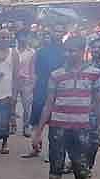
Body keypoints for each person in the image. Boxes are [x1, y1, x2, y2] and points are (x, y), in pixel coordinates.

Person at [33, 36, 100, 179]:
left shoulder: (95, 74)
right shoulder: (56, 75)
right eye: (67, 50)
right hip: (58, 127)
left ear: (83, 50)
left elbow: (99, 103)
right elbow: (48, 103)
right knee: (55, 169)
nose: (69, 54)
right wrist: (38, 131)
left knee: (82, 171)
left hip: (82, 129)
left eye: (73, 50)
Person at [24, 24, 65, 159]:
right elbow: (34, 70)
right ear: (51, 33)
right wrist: (32, 86)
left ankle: (51, 153)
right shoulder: (41, 51)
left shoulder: (66, 51)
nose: (57, 33)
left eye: (60, 31)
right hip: (41, 87)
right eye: (56, 30)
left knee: (54, 121)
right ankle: (35, 147)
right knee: (36, 119)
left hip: (59, 88)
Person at [15, 30, 35, 138]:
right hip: (14, 81)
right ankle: (11, 124)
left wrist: (32, 82)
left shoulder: (32, 52)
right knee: (11, 104)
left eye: (25, 36)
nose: (23, 39)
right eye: (21, 36)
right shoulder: (12, 51)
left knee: (27, 107)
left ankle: (26, 126)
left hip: (26, 82)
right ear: (17, 38)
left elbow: (33, 68)